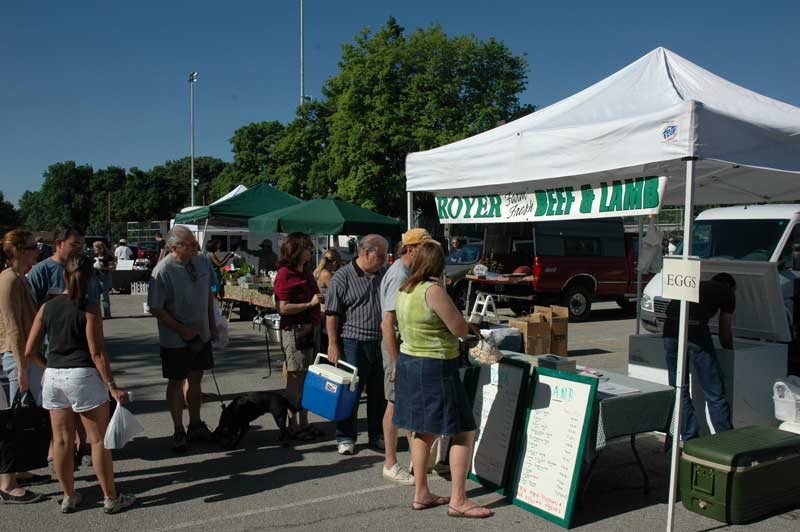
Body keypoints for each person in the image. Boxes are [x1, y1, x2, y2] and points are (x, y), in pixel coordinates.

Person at [25, 254, 135, 514]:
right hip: (83, 376)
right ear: (90, 278)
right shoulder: (90, 307)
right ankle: (110, 497)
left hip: (53, 376)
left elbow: (30, 350)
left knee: (61, 440)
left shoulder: (47, 307)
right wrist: (112, 385)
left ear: (63, 276)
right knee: (97, 441)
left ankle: (68, 496)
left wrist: (46, 367)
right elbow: (97, 353)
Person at [393, 241, 492, 518]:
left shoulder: (405, 289)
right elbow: (459, 328)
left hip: (410, 362)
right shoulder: (433, 291)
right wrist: (471, 329)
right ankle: (459, 500)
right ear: (438, 265)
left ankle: (421, 492)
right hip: (435, 365)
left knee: (421, 430)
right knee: (463, 430)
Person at [147, 225, 217, 452]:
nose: (196, 248)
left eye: (195, 243)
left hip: (201, 334)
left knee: (196, 379)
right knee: (176, 381)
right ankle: (178, 428)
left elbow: (207, 293)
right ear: (175, 247)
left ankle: (195, 423)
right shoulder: (162, 271)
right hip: (175, 338)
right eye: (190, 245)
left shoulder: (202, 262)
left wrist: (212, 323)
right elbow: (156, 307)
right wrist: (181, 329)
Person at [379, 229, 438, 485]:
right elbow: (387, 323)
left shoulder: (406, 273)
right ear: (412, 249)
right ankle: (390, 463)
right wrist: (396, 361)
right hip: (396, 348)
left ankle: (416, 459)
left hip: (402, 346)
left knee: (403, 403)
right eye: (425, 248)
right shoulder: (400, 274)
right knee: (394, 403)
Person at [326, 234, 388, 455]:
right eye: (381, 256)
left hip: (379, 342)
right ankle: (345, 436)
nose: (384, 259)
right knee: (350, 393)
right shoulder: (342, 277)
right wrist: (333, 344)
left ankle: (376, 434)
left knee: (378, 393)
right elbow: (332, 313)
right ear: (366, 253)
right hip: (353, 342)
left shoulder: (383, 274)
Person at [0, 229, 49, 504]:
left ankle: (17, 471)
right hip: (14, 355)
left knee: (23, 415)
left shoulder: (19, 279)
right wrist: (20, 368)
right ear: (17, 250)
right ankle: (7, 483)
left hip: (23, 355)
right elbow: (13, 329)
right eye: (32, 247)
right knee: (13, 421)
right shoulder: (8, 280)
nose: (37, 251)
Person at [663, 273, 736, 442]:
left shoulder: (696, 285)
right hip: (696, 331)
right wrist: (730, 351)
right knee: (714, 391)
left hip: (669, 329)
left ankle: (690, 438)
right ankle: (726, 439)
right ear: (731, 286)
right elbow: (725, 329)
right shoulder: (727, 291)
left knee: (679, 388)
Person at [274, 233, 323, 440]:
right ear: (296, 251)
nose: (311, 251)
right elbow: (283, 308)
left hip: (311, 328)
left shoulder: (306, 271)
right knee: (296, 378)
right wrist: (309, 304)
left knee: (308, 378)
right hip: (295, 330)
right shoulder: (285, 274)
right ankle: (292, 425)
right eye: (307, 248)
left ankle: (304, 422)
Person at [92, 241, 114, 319]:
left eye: (95, 248)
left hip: (104, 277)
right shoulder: (93, 257)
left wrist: (102, 268)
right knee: (95, 296)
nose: (94, 249)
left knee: (104, 297)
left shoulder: (107, 257)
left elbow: (112, 268)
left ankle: (107, 314)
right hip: (95, 277)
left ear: (100, 249)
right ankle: (97, 314)